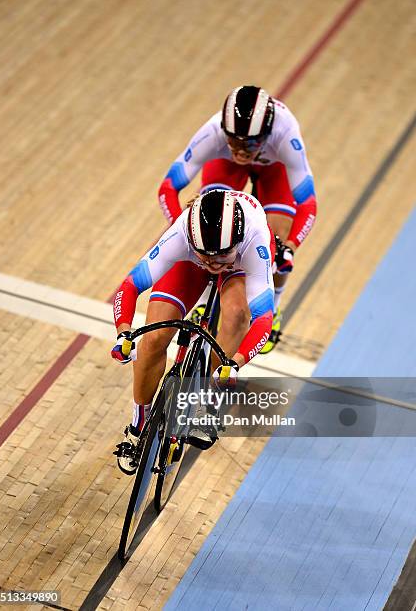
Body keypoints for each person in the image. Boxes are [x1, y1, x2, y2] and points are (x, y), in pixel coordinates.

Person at [111, 188, 277, 473]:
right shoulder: (181, 235)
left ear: (237, 241)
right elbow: (129, 286)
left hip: (238, 267)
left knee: (237, 314)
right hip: (191, 264)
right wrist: (124, 332)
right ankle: (138, 425)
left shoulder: (255, 240)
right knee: (152, 338)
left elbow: (264, 318)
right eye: (206, 256)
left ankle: (210, 400)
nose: (213, 263)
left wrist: (234, 364)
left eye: (220, 255)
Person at [158, 85, 317, 352]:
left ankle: (273, 309)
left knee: (275, 243)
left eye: (250, 144)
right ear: (225, 131)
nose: (241, 151)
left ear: (266, 134)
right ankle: (203, 303)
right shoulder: (214, 132)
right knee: (209, 227)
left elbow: (308, 204)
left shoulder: (285, 134)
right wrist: (184, 228)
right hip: (225, 168)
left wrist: (290, 246)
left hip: (273, 170)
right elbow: (168, 188)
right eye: (234, 141)